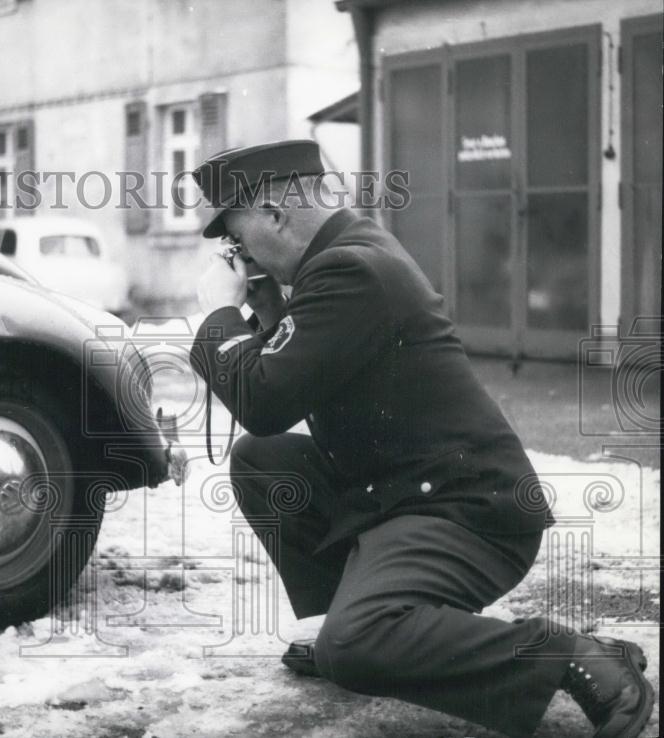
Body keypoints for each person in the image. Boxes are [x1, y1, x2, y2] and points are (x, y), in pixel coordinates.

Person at [187, 140, 654, 738]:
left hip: (468, 514)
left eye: (236, 235)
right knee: (264, 461)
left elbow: (266, 400)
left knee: (355, 645)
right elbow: (306, 371)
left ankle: (562, 653)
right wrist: (268, 309)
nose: (236, 253)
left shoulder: (349, 269)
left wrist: (216, 317)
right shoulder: (345, 252)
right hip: (406, 496)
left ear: (276, 216)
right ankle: (362, 627)